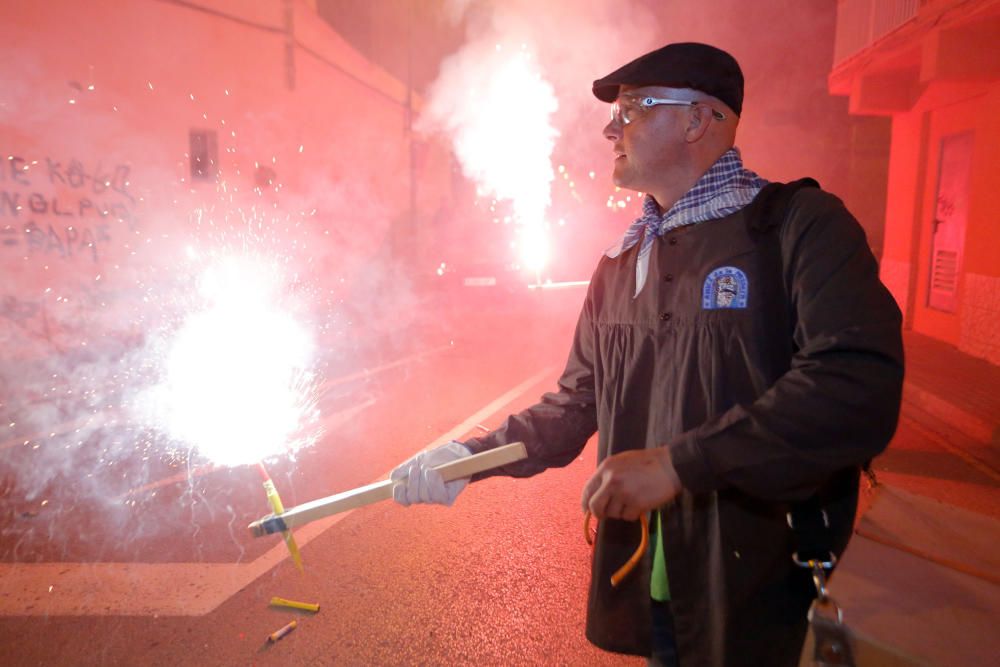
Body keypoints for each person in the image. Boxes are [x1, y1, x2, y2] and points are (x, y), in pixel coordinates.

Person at [391, 42, 904, 667]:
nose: (611, 127)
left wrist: (680, 464)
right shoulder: (618, 264)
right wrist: (466, 460)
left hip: (763, 595)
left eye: (633, 107)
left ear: (696, 121)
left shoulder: (799, 227)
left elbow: (854, 383)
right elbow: (575, 405)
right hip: (660, 597)